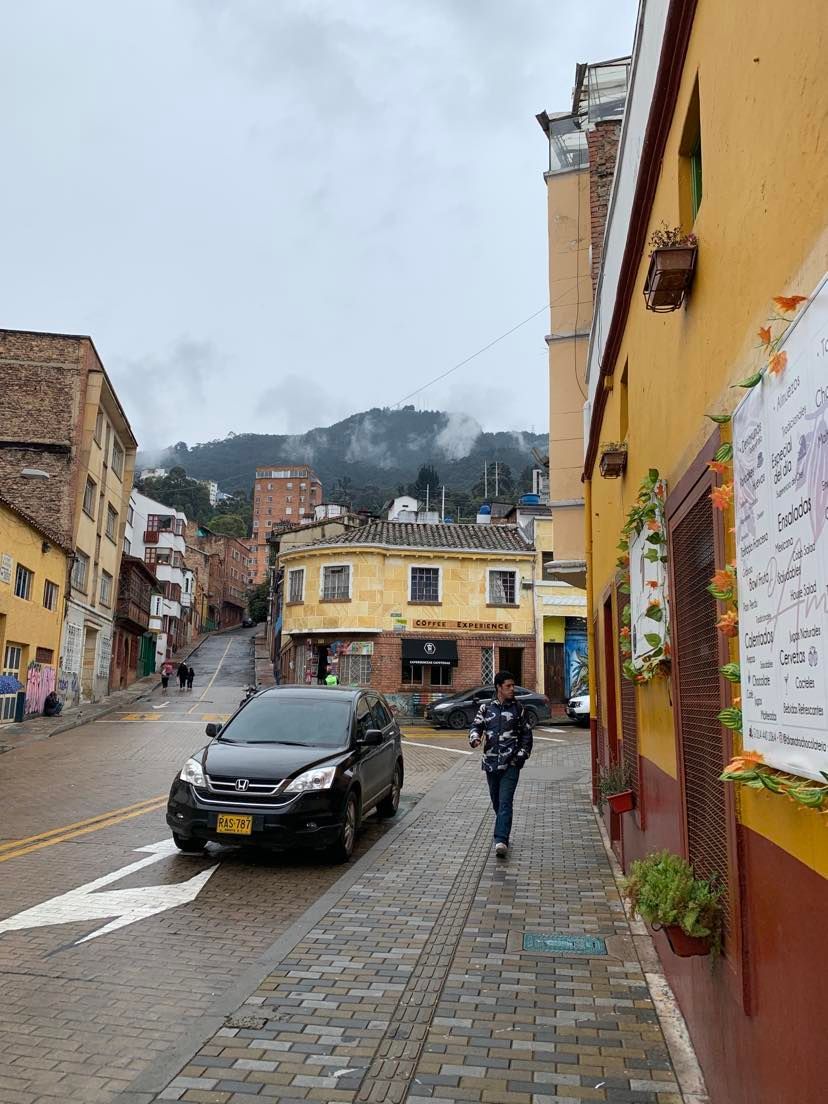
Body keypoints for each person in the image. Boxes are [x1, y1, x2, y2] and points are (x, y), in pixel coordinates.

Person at [469, 670, 533, 858]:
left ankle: (501, 839)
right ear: (499, 687)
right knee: (496, 801)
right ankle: (502, 827)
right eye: (508, 686)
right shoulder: (486, 709)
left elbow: (527, 736)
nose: (512, 689)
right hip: (490, 764)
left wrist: (520, 757)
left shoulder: (518, 709)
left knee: (505, 802)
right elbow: (476, 726)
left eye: (513, 685)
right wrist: (475, 738)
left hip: (510, 764)